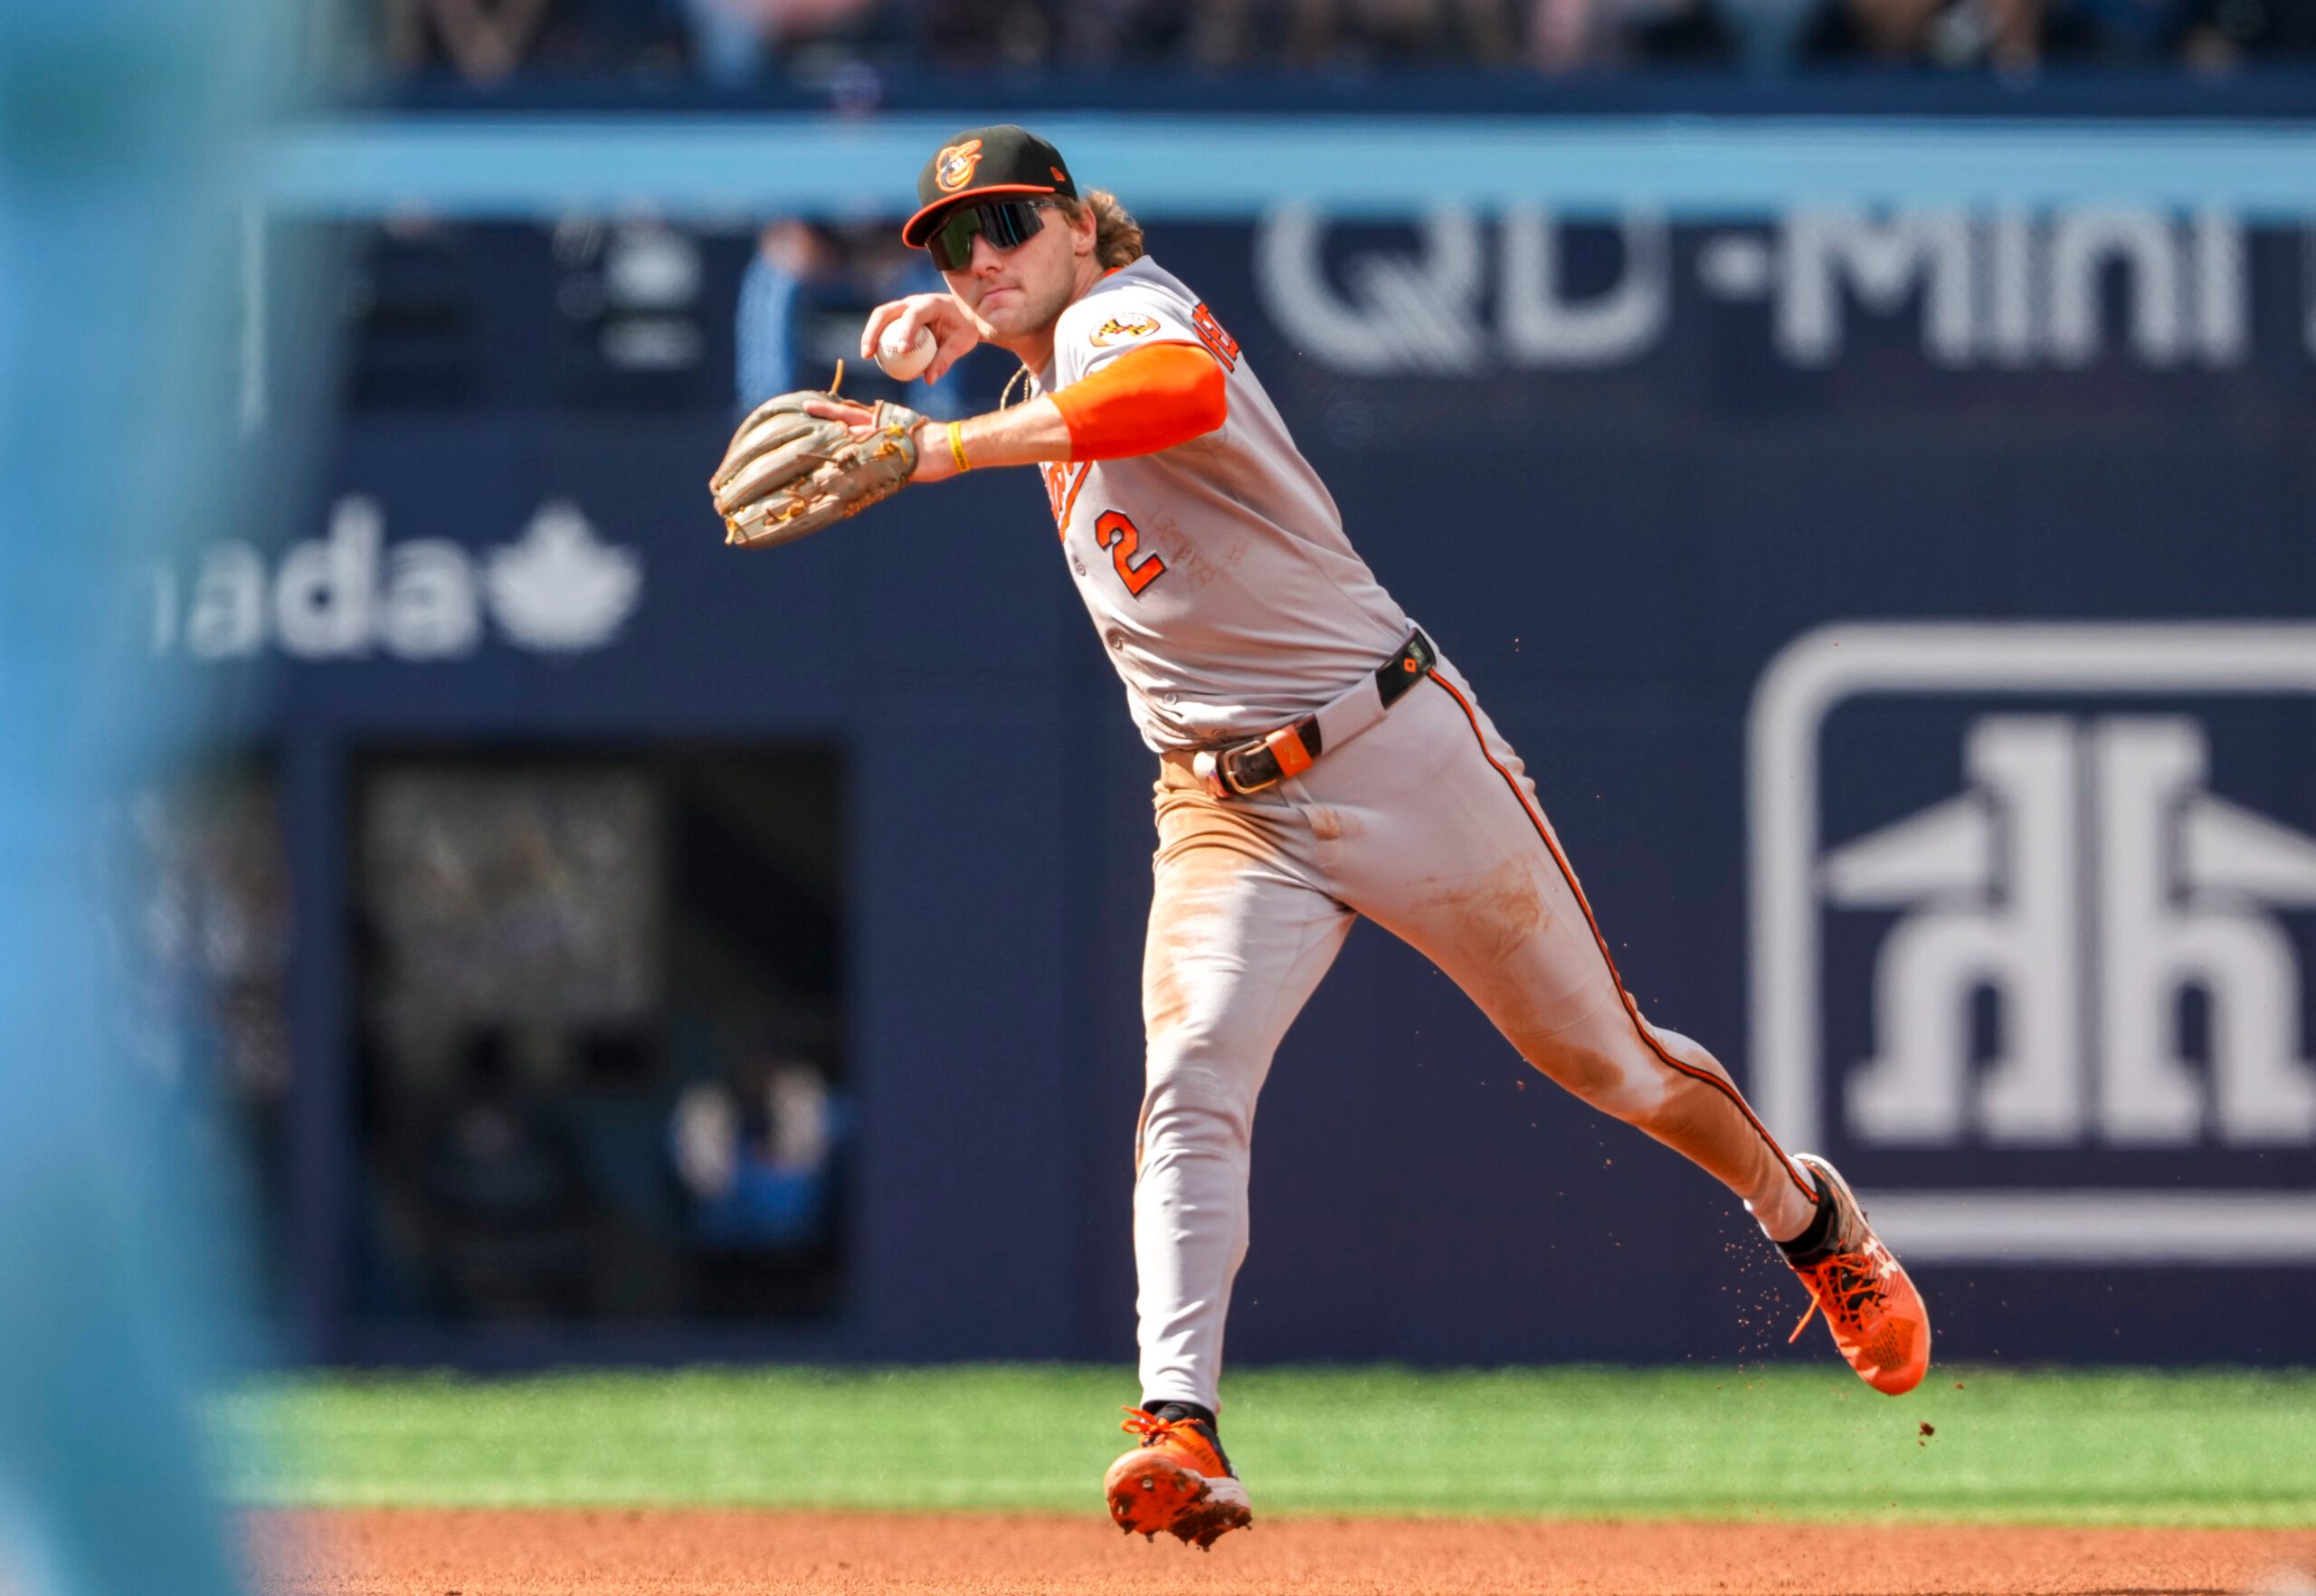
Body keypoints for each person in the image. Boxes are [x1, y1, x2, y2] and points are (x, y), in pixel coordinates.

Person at [774, 123, 1932, 1552]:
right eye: (953, 241)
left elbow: (1169, 387)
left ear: (1080, 225)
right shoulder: (1046, 336)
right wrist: (983, 328)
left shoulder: (1127, 310)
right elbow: (1066, 365)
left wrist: (948, 436)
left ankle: (1811, 1224)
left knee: (1605, 1059)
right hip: (1221, 804)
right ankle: (1177, 1418)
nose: (982, 255)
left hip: (1389, 746)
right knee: (1192, 1071)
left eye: (1008, 226)